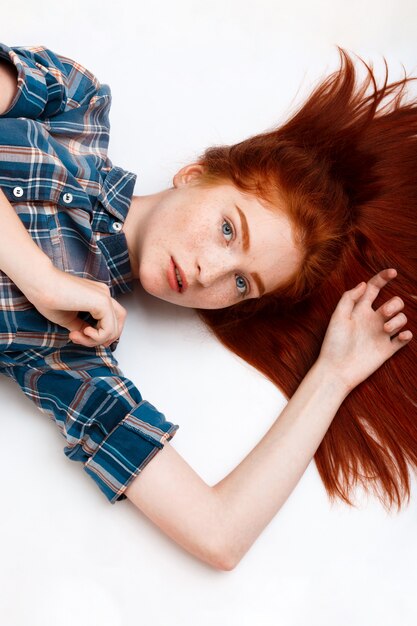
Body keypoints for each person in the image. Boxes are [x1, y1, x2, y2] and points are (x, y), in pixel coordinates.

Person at [0, 43, 415, 571]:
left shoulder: (71, 348)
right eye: (227, 229)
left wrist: (332, 375)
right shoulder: (75, 107)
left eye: (241, 283)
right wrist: (41, 280)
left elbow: (220, 535)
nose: (209, 273)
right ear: (194, 174)